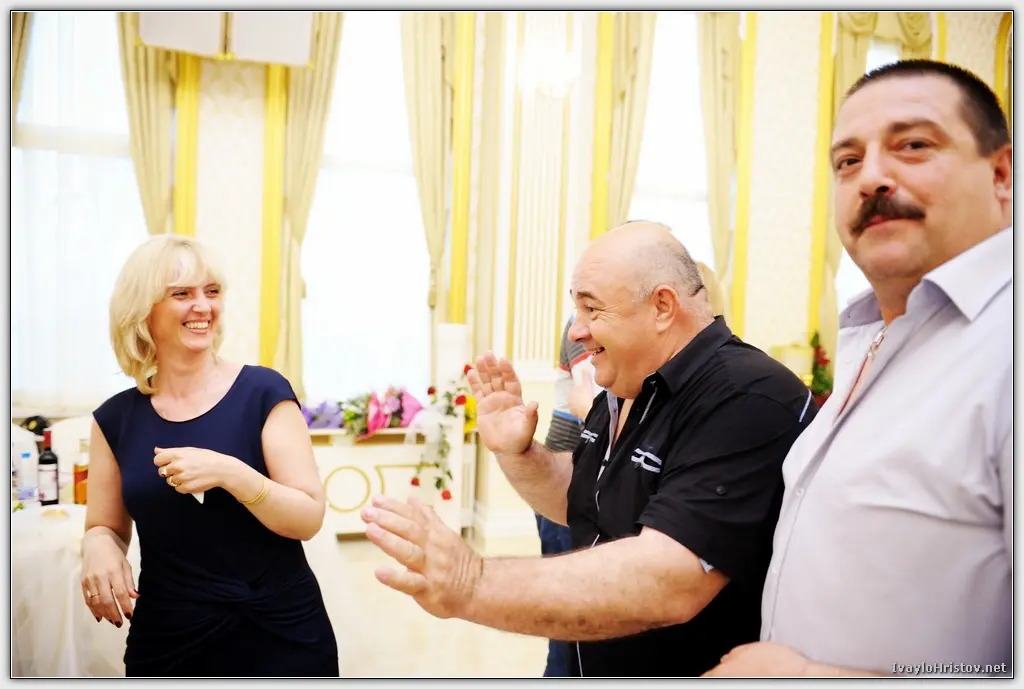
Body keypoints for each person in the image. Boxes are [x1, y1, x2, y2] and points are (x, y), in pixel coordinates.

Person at [360, 221, 817, 677]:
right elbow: (582, 498)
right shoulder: (625, 388)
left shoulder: (747, 395)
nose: (575, 331)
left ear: (662, 306)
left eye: (591, 309)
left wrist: (470, 581)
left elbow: (669, 580)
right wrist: (518, 453)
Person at [704, 60, 1012, 677]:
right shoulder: (872, 336)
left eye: (913, 145)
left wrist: (802, 678)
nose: (870, 177)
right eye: (847, 161)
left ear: (1001, 174)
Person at [80, 234, 339, 677]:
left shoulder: (264, 392)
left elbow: (308, 518)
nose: (203, 306)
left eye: (212, 291)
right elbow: (104, 526)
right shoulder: (114, 420)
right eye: (182, 294)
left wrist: (231, 473)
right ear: (143, 310)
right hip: (169, 639)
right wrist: (98, 546)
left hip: (281, 635)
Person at [534, 313, 593, 677]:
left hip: (583, 478)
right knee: (566, 611)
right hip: (567, 479)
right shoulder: (580, 325)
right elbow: (592, 401)